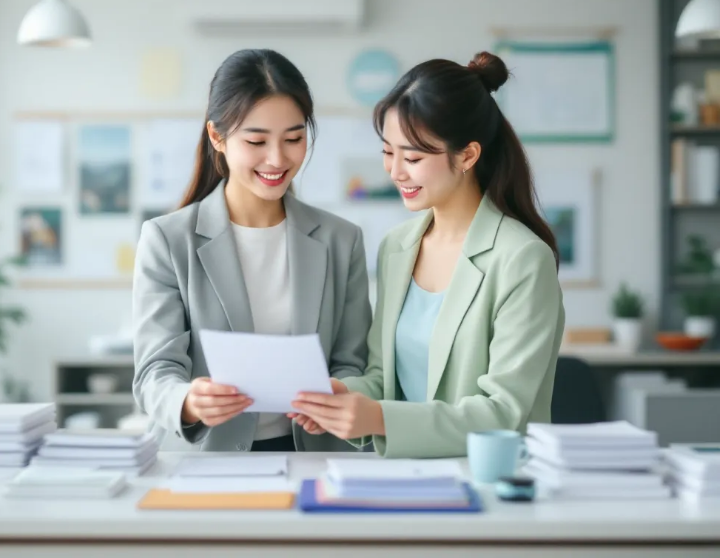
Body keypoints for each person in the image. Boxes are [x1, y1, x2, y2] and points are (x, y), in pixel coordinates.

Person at [290, 51, 566, 458]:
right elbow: (384, 377)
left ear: (467, 155)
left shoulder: (522, 259)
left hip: (488, 479)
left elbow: (503, 412)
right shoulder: (397, 247)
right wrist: (342, 395)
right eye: (388, 152)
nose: (395, 171)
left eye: (414, 157)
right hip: (406, 476)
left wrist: (378, 418)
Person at [132, 49, 371, 452]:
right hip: (209, 461)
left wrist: (339, 393)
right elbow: (155, 372)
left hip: (315, 456)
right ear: (217, 137)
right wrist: (188, 400)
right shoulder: (167, 240)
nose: (277, 159)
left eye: (293, 139)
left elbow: (352, 362)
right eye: (257, 141)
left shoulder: (341, 240)